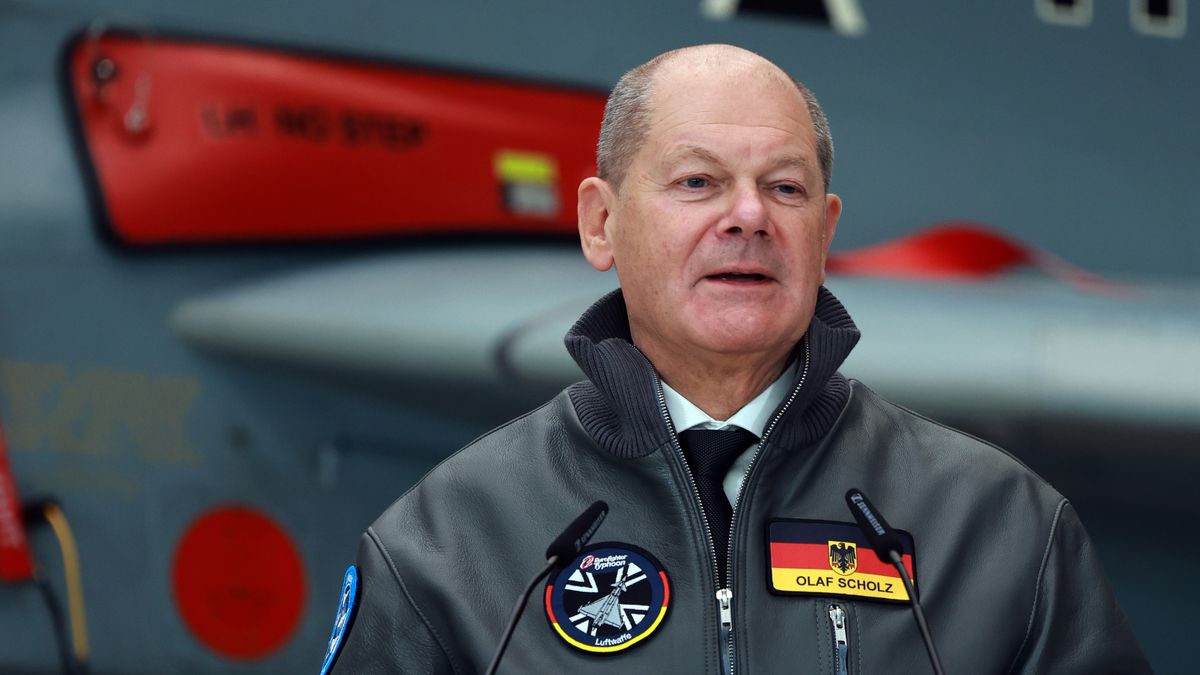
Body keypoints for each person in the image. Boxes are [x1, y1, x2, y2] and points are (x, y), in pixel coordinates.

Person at [321, 44, 1150, 674]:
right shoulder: (447, 543)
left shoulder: (1004, 528)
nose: (748, 215)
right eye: (697, 182)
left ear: (824, 234)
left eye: (784, 188)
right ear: (600, 223)